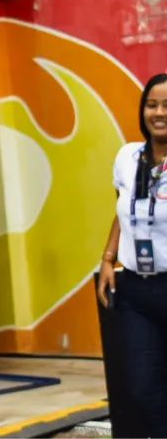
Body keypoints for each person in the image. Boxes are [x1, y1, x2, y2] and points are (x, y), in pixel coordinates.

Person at [98, 72, 167, 438]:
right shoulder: (128, 157)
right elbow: (124, 212)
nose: (159, 113)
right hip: (137, 292)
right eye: (152, 104)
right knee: (142, 388)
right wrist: (109, 259)